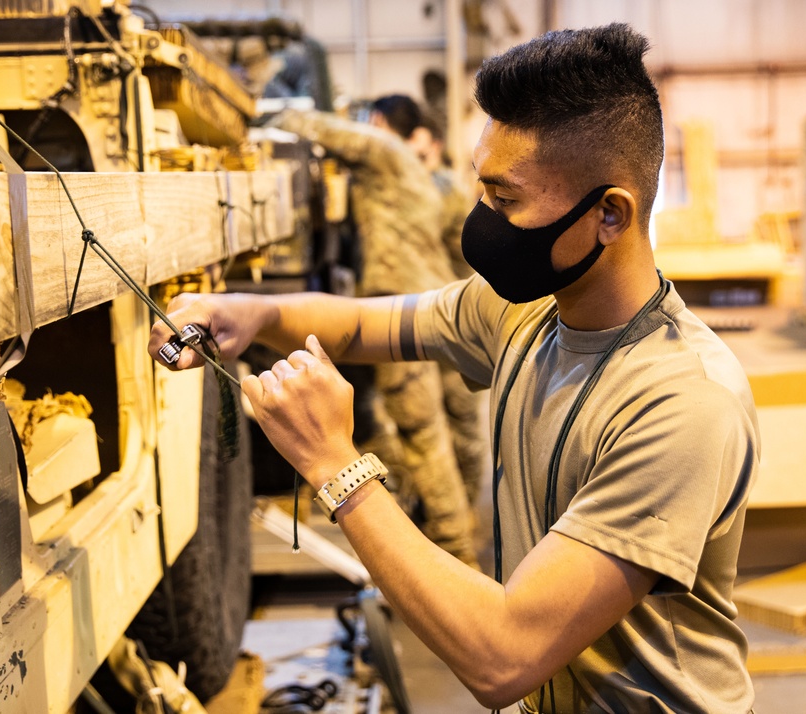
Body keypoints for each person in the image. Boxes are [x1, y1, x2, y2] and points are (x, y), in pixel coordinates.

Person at [151, 24, 758, 713]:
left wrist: (333, 463)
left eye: (507, 202)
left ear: (610, 214)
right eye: (482, 192)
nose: (482, 222)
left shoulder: (682, 404)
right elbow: (364, 322)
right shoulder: (524, 314)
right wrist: (253, 313)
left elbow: (504, 659)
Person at [269, 103, 480, 567]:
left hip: (398, 311)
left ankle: (458, 559)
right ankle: (451, 523)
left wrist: (272, 112)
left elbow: (305, 124)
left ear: (379, 124)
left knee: (422, 433)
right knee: (436, 427)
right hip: (434, 302)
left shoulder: (383, 150)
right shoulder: (423, 178)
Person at [371, 95, 489, 507]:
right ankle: (447, 515)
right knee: (433, 429)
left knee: (461, 428)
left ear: (432, 145)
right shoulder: (430, 187)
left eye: (419, 152)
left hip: (453, 317)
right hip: (435, 316)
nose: (412, 160)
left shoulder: (439, 191)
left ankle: (468, 520)